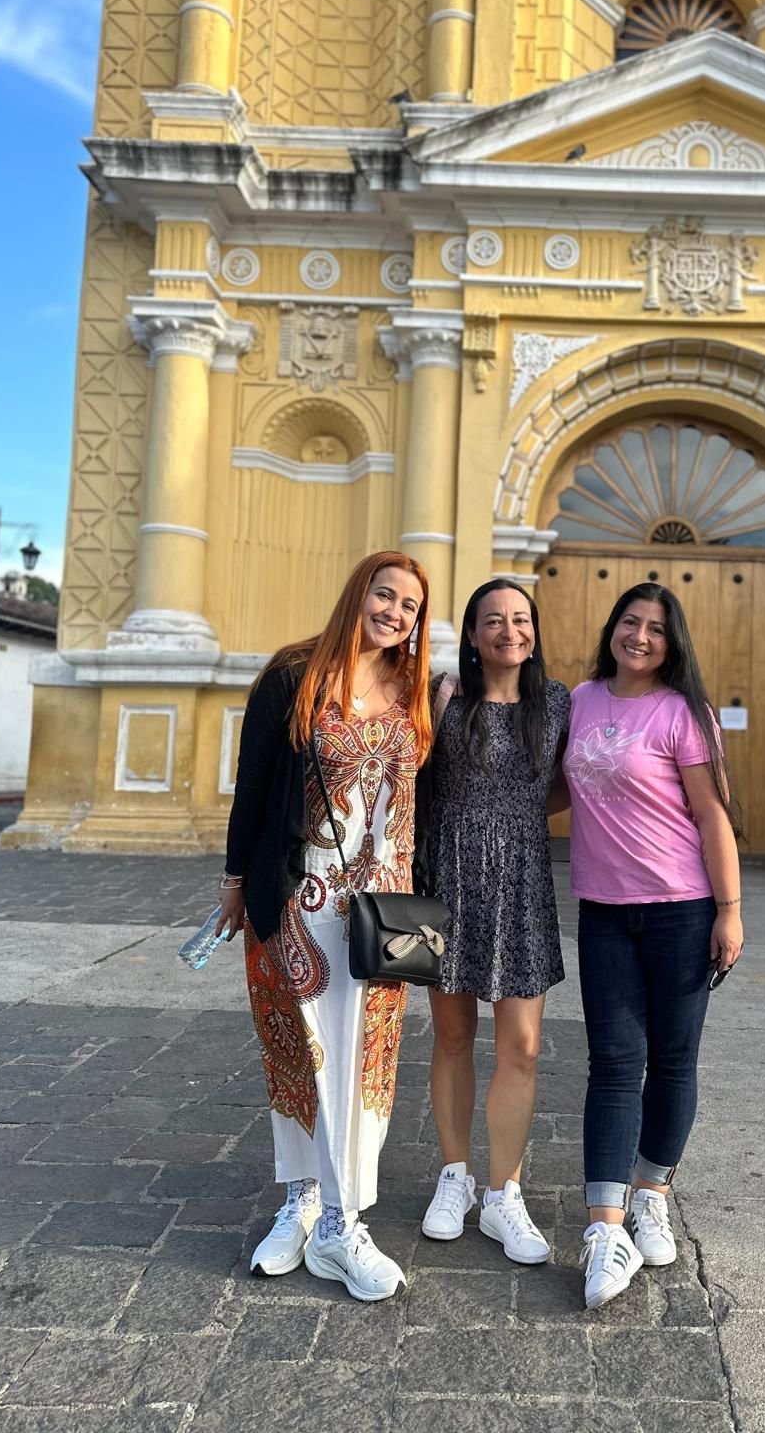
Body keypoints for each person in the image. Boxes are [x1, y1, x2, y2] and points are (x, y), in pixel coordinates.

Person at [215, 550, 432, 1302]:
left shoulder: (415, 689)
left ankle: (345, 1222)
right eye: (386, 594)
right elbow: (254, 786)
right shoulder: (293, 675)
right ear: (358, 593)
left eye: (410, 605)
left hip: (391, 910)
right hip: (302, 899)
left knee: (364, 1064)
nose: (396, 612)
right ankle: (304, 1203)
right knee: (301, 1057)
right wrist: (237, 882)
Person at [558, 583, 742, 1309]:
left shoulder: (682, 712)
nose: (640, 636)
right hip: (603, 911)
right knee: (611, 1062)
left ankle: (651, 1190)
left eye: (656, 629)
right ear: (612, 628)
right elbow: (559, 790)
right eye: (630, 623)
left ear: (673, 642)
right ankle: (604, 1227)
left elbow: (712, 816)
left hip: (682, 911)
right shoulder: (579, 699)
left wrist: (729, 912)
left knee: (671, 1061)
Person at [417, 580, 570, 1263]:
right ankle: (456, 1176)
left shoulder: (559, 703)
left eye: (521, 619)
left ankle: (504, 1195)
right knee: (451, 1036)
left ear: (534, 629)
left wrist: (521, 818)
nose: (510, 630)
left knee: (524, 1046)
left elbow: (574, 781)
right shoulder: (444, 697)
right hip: (446, 879)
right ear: (474, 635)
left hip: (524, 882)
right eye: (494, 621)